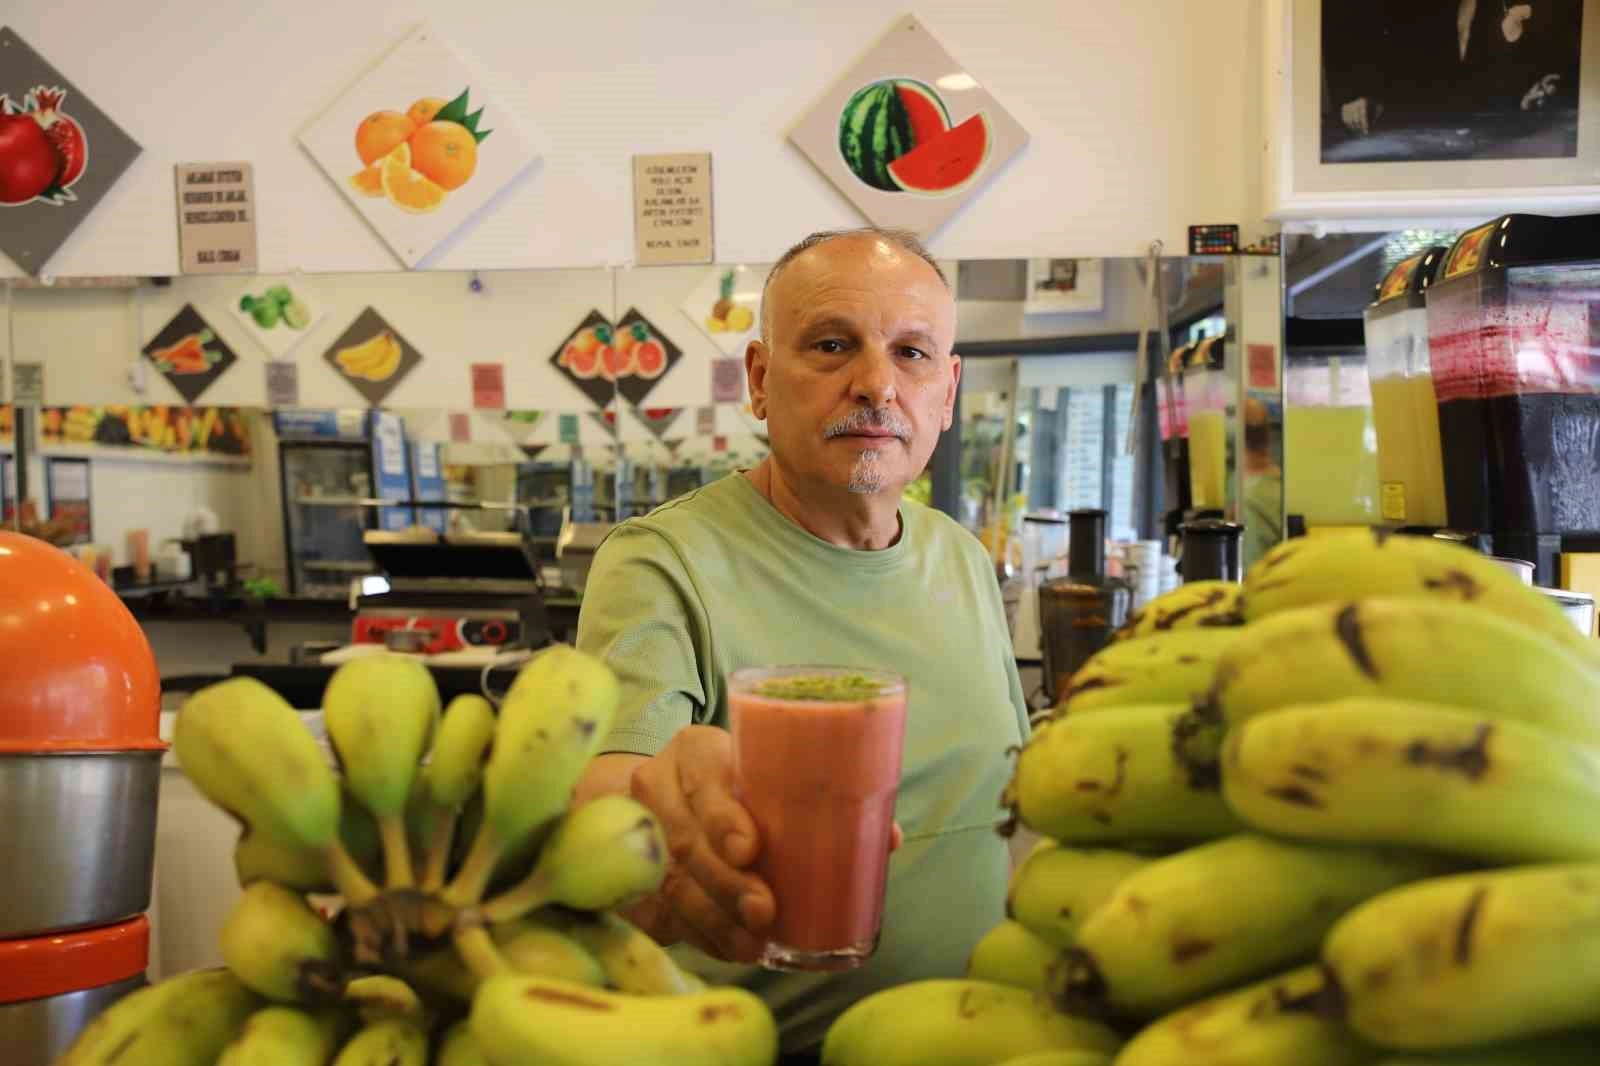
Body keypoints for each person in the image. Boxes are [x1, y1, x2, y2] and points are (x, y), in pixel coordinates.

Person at [571, 227, 1030, 1058]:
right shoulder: (663, 560)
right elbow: (614, 791)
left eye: (912, 353)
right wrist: (662, 822)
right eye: (832, 345)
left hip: (989, 1036)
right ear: (758, 379)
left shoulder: (962, 557)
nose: (877, 384)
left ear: (948, 390)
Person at [1324, 0, 1579, 138]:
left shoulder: (1527, 10)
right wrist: (1359, 93)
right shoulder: (1414, 13)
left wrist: (1545, 88)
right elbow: (1357, 28)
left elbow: (1565, 62)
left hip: (1510, 141)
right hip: (1422, 138)